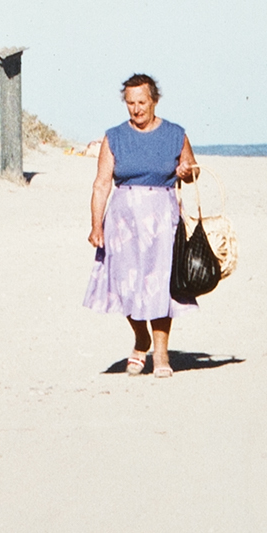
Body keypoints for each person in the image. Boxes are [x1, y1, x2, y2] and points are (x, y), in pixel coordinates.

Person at [86, 72, 200, 377]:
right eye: (130, 103)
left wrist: (187, 171)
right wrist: (96, 225)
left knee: (160, 285)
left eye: (142, 102)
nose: (136, 109)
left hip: (163, 215)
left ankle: (160, 355)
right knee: (126, 283)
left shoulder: (176, 134)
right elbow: (101, 184)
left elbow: (191, 172)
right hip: (123, 218)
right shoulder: (114, 136)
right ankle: (141, 338)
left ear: (154, 100)